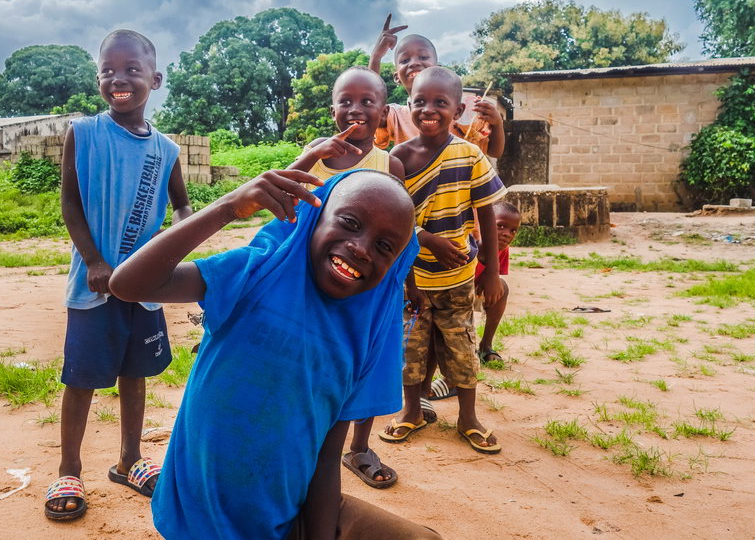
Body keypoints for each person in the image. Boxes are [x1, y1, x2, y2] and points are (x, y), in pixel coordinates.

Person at [109, 169, 442, 539]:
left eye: (384, 246)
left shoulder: (364, 333)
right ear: (314, 216)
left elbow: (327, 457)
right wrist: (229, 206)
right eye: (349, 222)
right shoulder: (256, 271)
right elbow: (129, 283)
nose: (362, 248)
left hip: (286, 519)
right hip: (197, 517)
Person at [44, 30, 193, 521]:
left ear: (156, 78)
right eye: (108, 70)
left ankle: (130, 460)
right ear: (99, 79)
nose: (119, 79)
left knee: (135, 374)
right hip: (94, 286)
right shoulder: (83, 134)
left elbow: (182, 206)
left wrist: (170, 252)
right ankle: (69, 468)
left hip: (144, 289)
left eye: (131, 70)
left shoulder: (167, 150)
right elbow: (70, 202)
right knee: (82, 378)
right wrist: (93, 260)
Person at [288, 66, 406, 490]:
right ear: (332, 107)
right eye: (345, 101)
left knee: (362, 359)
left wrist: (401, 289)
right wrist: (311, 157)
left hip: (362, 285)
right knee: (310, 361)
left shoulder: (388, 163)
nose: (355, 110)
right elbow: (282, 206)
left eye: (367, 102)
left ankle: (358, 446)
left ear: (383, 110)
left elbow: (396, 232)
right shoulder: (315, 153)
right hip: (310, 278)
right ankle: (307, 441)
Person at [380, 66, 506, 455]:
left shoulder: (469, 156)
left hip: (458, 279)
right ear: (409, 105)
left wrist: (491, 274)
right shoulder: (397, 158)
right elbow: (396, 219)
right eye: (420, 101)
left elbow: (486, 213)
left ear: (458, 110)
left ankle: (468, 417)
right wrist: (424, 249)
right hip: (412, 279)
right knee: (411, 352)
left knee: (462, 348)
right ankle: (412, 412)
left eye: (440, 102)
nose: (428, 109)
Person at [368, 14, 504, 159]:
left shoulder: (462, 111)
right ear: (397, 77)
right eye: (405, 60)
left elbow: (494, 152)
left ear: (438, 68)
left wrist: (497, 123)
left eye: (423, 57)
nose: (414, 63)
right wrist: (376, 57)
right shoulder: (395, 116)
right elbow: (369, 106)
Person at [474, 201, 521, 365]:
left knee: (503, 288)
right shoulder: (469, 245)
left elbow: (494, 280)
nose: (507, 234)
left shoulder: (503, 250)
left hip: (476, 292)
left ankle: (485, 345)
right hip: (454, 295)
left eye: (513, 230)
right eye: (500, 226)